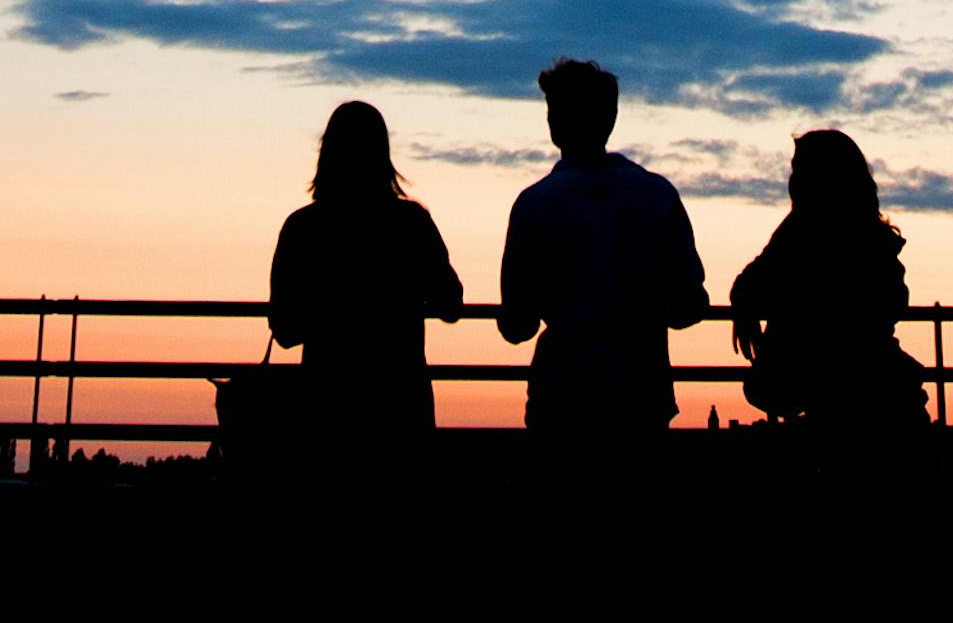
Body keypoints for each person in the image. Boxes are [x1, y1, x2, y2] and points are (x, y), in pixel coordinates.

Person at [499, 58, 709, 436]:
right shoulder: (658, 195)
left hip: (562, 398)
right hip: (641, 397)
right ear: (610, 118)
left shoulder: (536, 204)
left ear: (555, 122)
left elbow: (517, 324)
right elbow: (688, 305)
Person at [268, 100, 464, 454]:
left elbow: (284, 330)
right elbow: (451, 305)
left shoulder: (302, 228)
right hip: (400, 404)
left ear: (327, 154)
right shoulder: (411, 224)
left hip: (327, 406)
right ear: (382, 155)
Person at [730, 129, 928, 428]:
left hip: (829, 393)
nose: (792, 180)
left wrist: (749, 312)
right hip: (883, 387)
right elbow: (894, 303)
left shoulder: (801, 231)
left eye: (798, 169)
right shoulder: (873, 236)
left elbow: (752, 285)